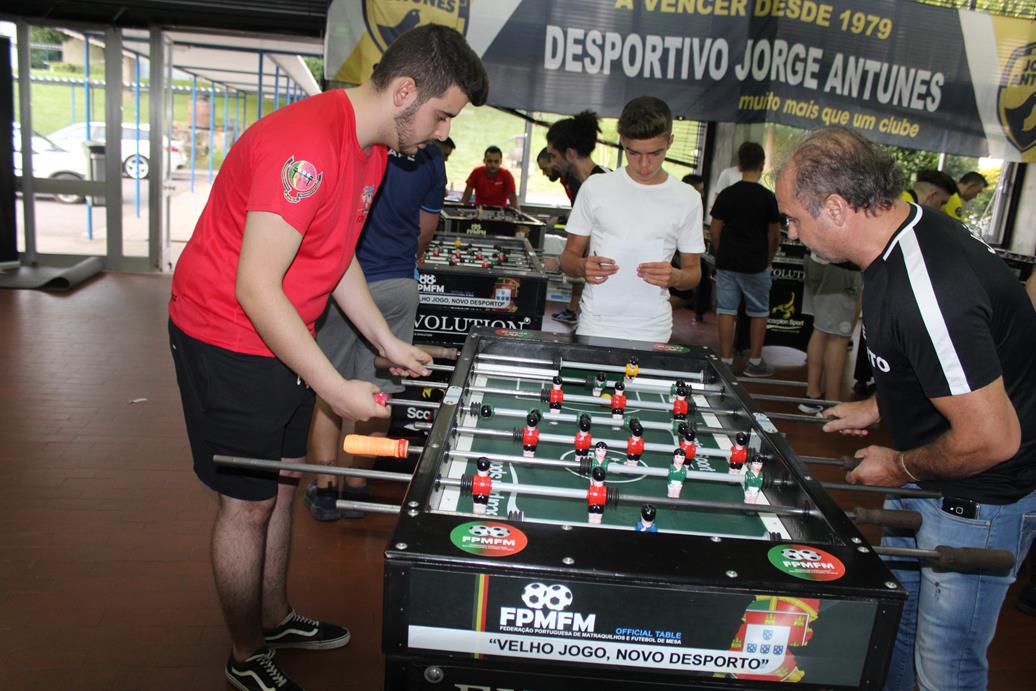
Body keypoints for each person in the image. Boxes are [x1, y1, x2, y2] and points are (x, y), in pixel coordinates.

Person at [167, 25, 487, 690]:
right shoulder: (307, 145)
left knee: (285, 482)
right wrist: (336, 388)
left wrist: (384, 342)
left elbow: (336, 259)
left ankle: (274, 617)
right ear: (405, 91)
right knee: (247, 505)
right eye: (442, 115)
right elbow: (256, 286)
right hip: (227, 336)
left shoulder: (373, 151)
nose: (440, 133)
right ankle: (244, 653)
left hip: (284, 331)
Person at [776, 126, 1036, 691]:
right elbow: (942, 365)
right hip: (931, 469)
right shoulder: (904, 234)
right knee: (897, 630)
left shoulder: (926, 284)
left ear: (837, 208)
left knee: (944, 667)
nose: (791, 232)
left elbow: (993, 438)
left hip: (976, 498)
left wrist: (898, 467)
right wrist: (878, 405)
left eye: (794, 218)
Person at [304, 141, 447, 521]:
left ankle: (326, 488)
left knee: (329, 388)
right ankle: (356, 485)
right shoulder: (431, 157)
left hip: (339, 283)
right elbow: (426, 229)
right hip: (396, 284)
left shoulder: (360, 144)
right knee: (380, 391)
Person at [559, 96, 703, 343]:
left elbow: (694, 272)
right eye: (633, 153)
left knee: (640, 372)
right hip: (596, 324)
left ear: (670, 142)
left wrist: (675, 277)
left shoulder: (687, 198)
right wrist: (582, 266)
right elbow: (568, 257)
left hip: (653, 328)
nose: (644, 164)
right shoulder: (595, 187)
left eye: (655, 153)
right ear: (622, 141)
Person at [709, 141, 782, 377]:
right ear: (762, 165)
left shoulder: (728, 194)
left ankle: (725, 360)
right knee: (759, 312)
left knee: (726, 310)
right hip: (756, 263)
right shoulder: (768, 197)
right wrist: (769, 258)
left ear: (739, 165)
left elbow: (715, 230)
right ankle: (755, 361)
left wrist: (721, 251)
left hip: (728, 261)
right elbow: (774, 235)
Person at [546, 110, 609, 326]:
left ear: (570, 154)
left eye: (554, 156)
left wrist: (559, 261)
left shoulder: (602, 184)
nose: (553, 163)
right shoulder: (578, 183)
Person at [797, 254, 862, 414]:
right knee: (838, 338)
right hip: (840, 266)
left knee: (820, 329)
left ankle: (813, 396)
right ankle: (832, 404)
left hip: (816, 259)